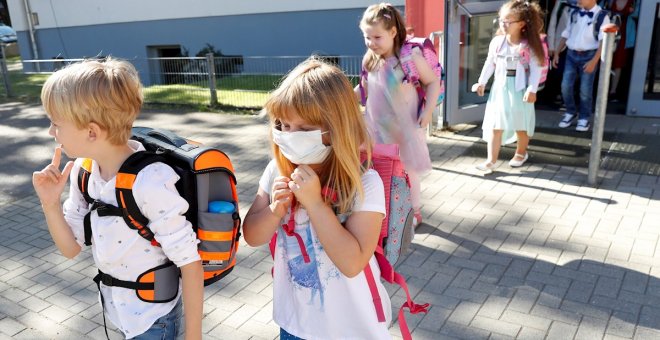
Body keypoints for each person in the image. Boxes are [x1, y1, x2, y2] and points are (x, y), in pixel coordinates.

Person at [32, 58, 203, 340]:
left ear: (91, 132)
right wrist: (50, 204)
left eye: (55, 124)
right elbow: (71, 249)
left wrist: (193, 336)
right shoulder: (83, 172)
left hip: (152, 319)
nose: (52, 133)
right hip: (116, 312)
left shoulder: (151, 181)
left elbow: (190, 263)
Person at [242, 57, 391, 339]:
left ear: (336, 128)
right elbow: (252, 236)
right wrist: (274, 210)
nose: (289, 136)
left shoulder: (363, 182)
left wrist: (315, 204)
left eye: (304, 129)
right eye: (283, 125)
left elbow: (352, 263)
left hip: (351, 327)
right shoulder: (277, 169)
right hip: (295, 323)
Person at [357, 2, 441, 226]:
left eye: (376, 37)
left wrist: (428, 111)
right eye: (367, 37)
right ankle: (385, 211)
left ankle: (414, 212)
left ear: (393, 32)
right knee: (378, 170)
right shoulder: (370, 60)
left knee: (408, 172)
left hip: (404, 129)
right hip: (376, 129)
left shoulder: (410, 58)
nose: (371, 43)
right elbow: (364, 90)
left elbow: (433, 82)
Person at [471, 0, 546, 173]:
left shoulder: (529, 45)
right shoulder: (497, 42)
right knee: (496, 124)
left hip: (520, 89)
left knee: (521, 124)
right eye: (501, 20)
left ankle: (521, 152)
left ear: (521, 24)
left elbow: (537, 68)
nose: (503, 24)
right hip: (500, 88)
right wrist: (482, 81)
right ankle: (491, 160)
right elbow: (490, 63)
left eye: (508, 21)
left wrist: (532, 89)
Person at [555, 0, 610, 131]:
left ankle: (584, 117)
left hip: (589, 55)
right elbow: (566, 33)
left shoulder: (602, 16)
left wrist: (594, 61)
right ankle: (570, 111)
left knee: (585, 89)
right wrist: (557, 52)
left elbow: (604, 42)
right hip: (571, 54)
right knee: (565, 86)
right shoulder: (574, 13)